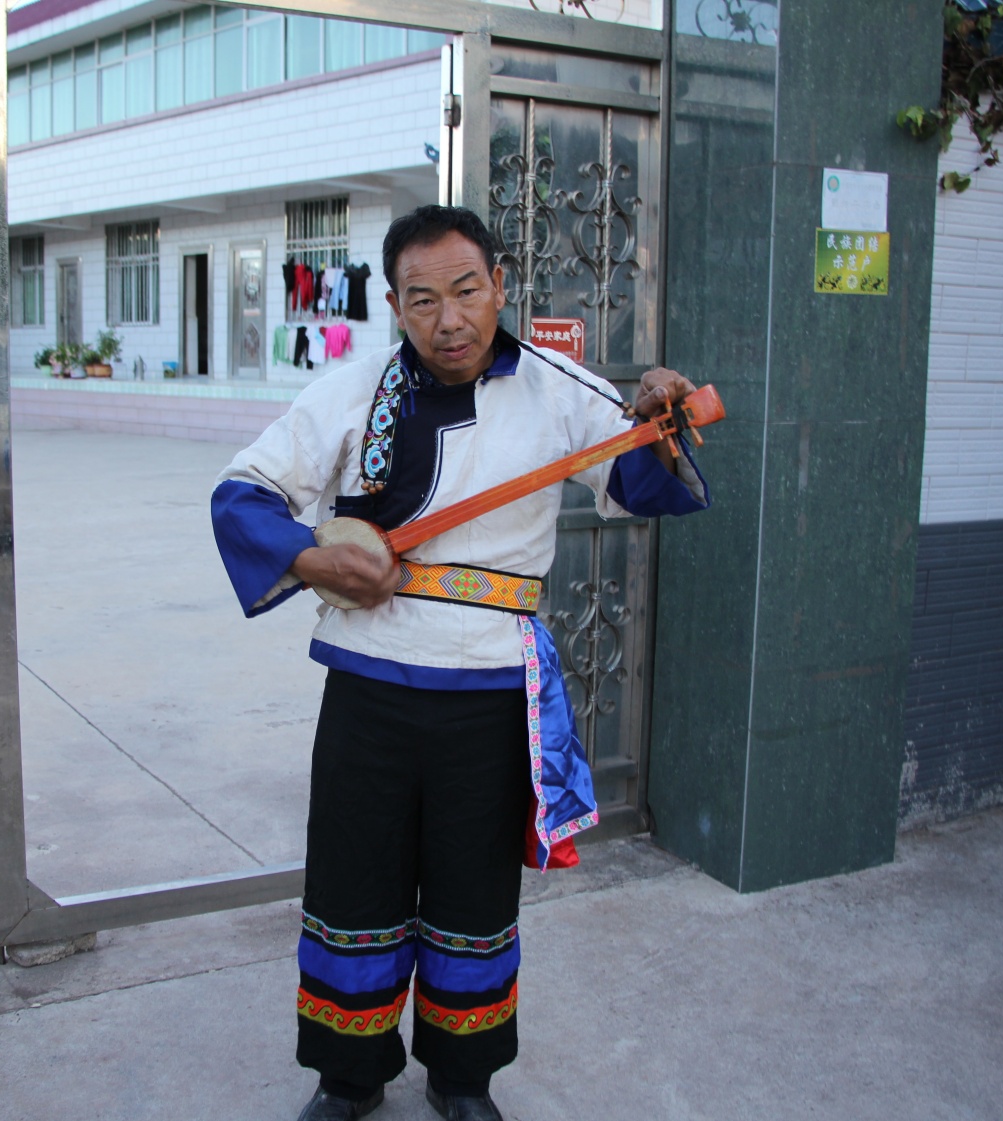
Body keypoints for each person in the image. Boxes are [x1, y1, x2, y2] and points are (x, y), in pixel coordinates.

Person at [211, 206, 712, 1121]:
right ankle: (349, 1074)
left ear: (500, 285)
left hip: (490, 690)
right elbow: (243, 494)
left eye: (467, 290)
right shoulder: (350, 389)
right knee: (353, 880)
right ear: (394, 305)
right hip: (368, 681)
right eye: (423, 299)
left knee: (473, 891)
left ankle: (462, 1076)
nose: (449, 320)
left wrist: (659, 420)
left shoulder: (559, 389)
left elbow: (643, 484)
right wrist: (314, 558)